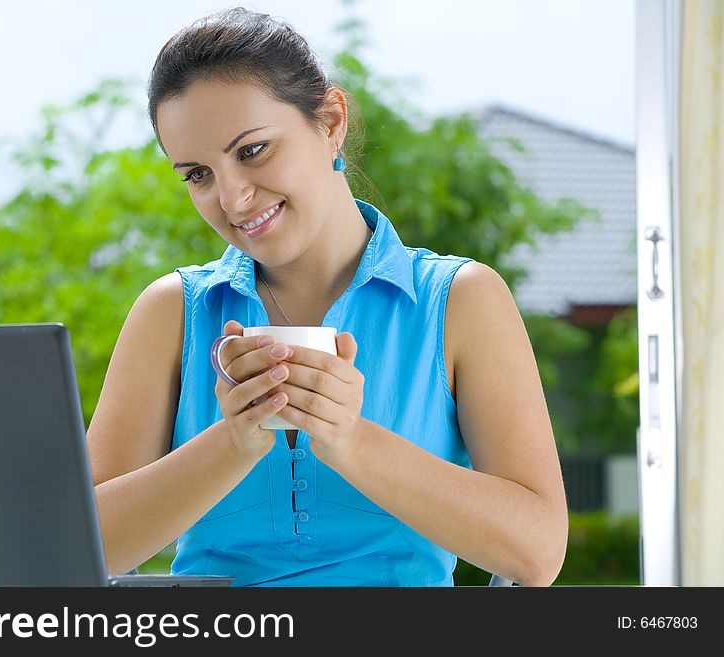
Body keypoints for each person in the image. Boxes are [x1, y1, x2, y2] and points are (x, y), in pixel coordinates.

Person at [87, 7, 568, 587]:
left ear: (331, 121)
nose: (233, 199)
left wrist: (350, 439)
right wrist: (234, 441)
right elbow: (84, 549)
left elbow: (537, 553)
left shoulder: (459, 302)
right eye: (197, 174)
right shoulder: (174, 312)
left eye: (252, 150)